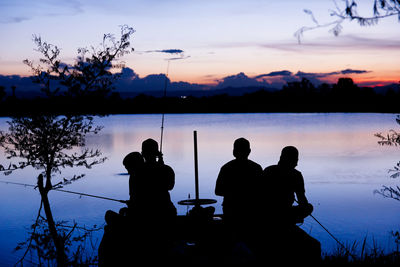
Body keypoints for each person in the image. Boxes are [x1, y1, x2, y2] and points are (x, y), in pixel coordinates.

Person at [262, 146, 320, 264]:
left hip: (265, 215)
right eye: (296, 160)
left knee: (307, 207)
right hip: (283, 215)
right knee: (315, 245)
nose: (297, 164)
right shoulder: (296, 175)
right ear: (293, 160)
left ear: (280, 158)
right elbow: (302, 201)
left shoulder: (268, 170)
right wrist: (304, 208)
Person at [215, 138, 263, 246]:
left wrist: (233, 192)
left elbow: (218, 191)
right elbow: (263, 192)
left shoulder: (226, 168)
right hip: (251, 211)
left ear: (234, 152)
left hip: (231, 210)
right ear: (249, 151)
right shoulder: (256, 168)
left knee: (231, 239)